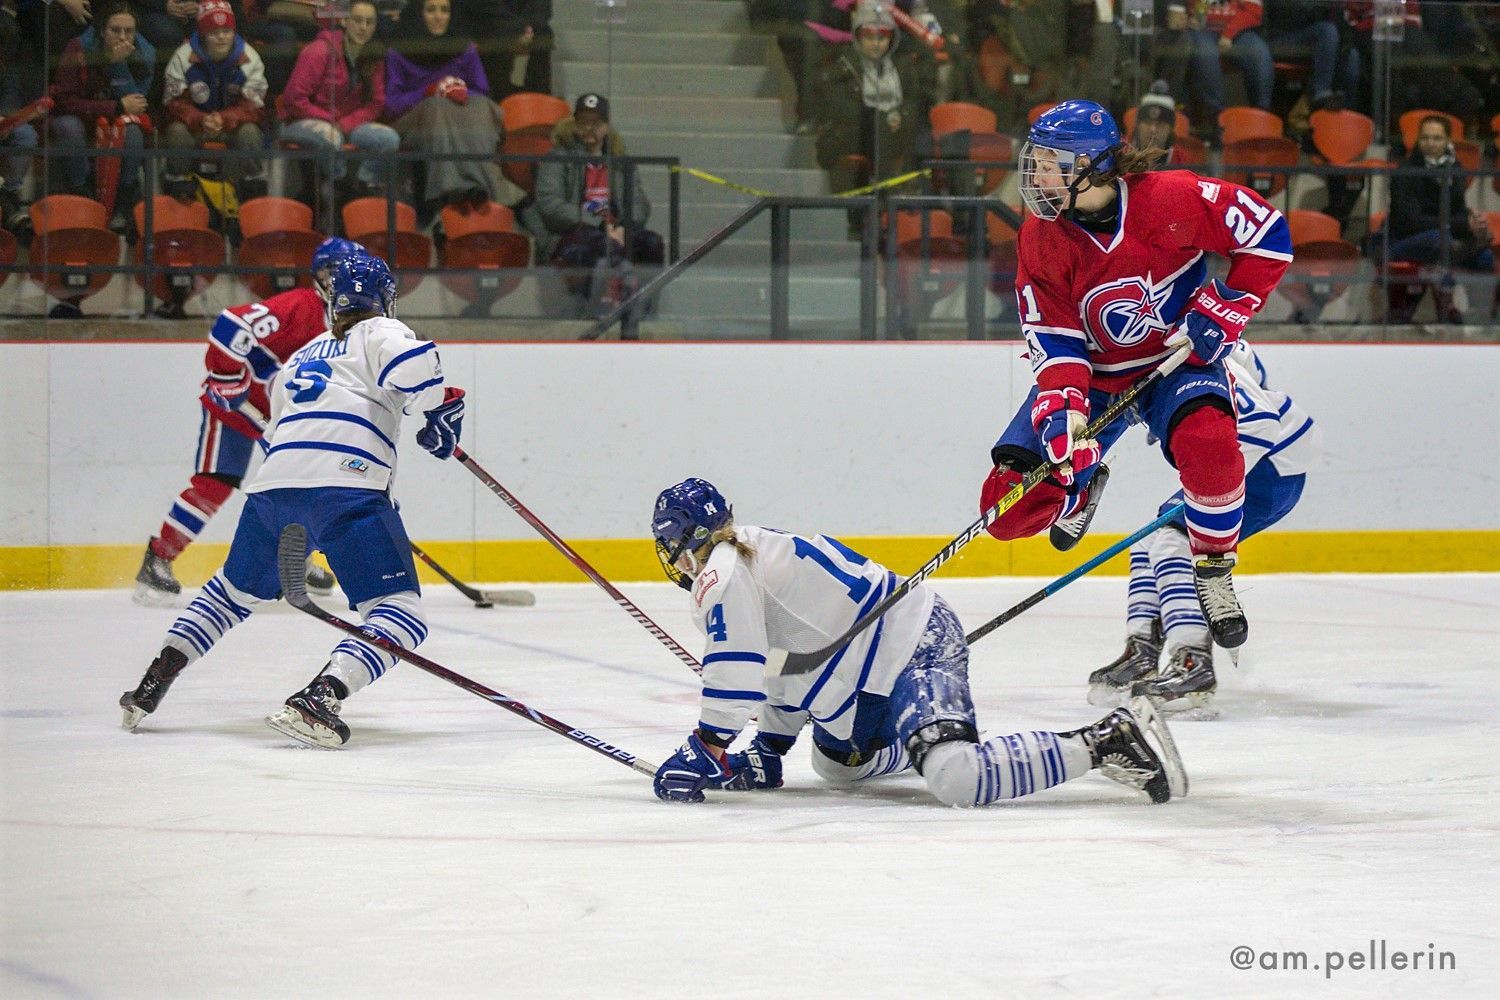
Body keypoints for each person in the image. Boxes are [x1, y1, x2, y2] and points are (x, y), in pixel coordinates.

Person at [646, 478, 1187, 807]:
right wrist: (768, 749)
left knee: (955, 778)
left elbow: (737, 669)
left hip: (913, 646)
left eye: (667, 545)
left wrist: (707, 747)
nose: (668, 559)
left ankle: (1107, 739)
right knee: (836, 769)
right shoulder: (746, 556)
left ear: (683, 541)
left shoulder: (723, 572)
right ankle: (924, 739)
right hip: (871, 665)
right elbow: (785, 665)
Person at [980, 100, 1293, 652]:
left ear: (1093, 167)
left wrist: (1224, 309)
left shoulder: (1173, 199)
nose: (1037, 172)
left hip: (1172, 362)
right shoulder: (1040, 236)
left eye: (1052, 161)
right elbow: (1052, 335)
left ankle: (1215, 570)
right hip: (1095, 376)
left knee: (1211, 446)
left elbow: (1268, 235)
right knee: (1005, 508)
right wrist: (1065, 411)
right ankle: (1078, 489)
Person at [121, 253, 468, 749]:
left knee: (229, 595)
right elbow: (418, 365)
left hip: (273, 489)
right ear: (386, 300)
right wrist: (441, 408)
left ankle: (152, 683)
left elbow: (282, 426)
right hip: (348, 490)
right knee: (401, 613)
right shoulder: (381, 333)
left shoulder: (300, 357)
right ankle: (322, 695)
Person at [1088, 340, 1321, 716]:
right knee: (1149, 540)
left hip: (1272, 467)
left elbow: (1261, 423)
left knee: (1173, 539)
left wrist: (1216, 485)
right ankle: (1141, 651)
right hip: (1270, 461)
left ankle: (1192, 662)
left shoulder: (1199, 366)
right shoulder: (1174, 358)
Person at [134, 237, 365, 606]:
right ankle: (159, 558)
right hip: (233, 410)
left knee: (305, 484)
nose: (340, 280)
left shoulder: (354, 325)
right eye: (332, 272)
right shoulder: (298, 306)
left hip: (282, 418)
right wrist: (228, 380)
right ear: (317, 276)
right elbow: (231, 326)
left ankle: (297, 561)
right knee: (215, 484)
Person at [529, 92, 664, 319]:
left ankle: (643, 311)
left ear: (607, 126)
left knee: (652, 244)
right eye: (583, 122)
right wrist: (599, 224)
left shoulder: (620, 160)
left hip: (616, 231)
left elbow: (640, 204)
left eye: (596, 123)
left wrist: (623, 225)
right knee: (599, 244)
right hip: (572, 232)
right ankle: (600, 309)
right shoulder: (559, 157)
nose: (589, 129)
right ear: (574, 124)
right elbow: (551, 205)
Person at [384, 0, 521, 220]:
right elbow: (392, 105)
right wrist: (429, 91)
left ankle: (478, 188)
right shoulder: (398, 51)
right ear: (419, 14)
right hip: (412, 120)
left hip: (454, 116)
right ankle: (450, 189)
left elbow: (481, 91)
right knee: (437, 106)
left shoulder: (464, 48)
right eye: (431, 10)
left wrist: (459, 90)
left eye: (444, 10)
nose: (439, 16)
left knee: (482, 106)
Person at [811, 0, 929, 208]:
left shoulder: (902, 66)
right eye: (869, 36)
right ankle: (887, 193)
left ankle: (914, 189)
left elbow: (913, 100)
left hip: (895, 129)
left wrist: (901, 116)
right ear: (858, 36)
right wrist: (881, 117)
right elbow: (839, 109)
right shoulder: (842, 66)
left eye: (882, 37)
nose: (876, 43)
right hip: (849, 135)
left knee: (918, 127)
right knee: (879, 125)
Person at [49, 1, 155, 230]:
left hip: (115, 121)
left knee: (134, 131)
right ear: (102, 30)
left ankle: (124, 196)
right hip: (79, 119)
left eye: (129, 31)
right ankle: (83, 191)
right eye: (115, 30)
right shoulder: (78, 48)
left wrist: (118, 66)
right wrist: (114, 107)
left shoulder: (145, 54)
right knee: (68, 126)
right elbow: (65, 101)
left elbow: (136, 106)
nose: (123, 37)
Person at [1379, 114, 1494, 323]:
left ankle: (1479, 316)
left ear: (1448, 141)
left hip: (1444, 240)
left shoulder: (1455, 170)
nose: (1430, 143)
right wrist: (1461, 224)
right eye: (1425, 138)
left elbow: (1458, 211)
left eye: (1437, 138)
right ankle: (1444, 301)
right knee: (1438, 238)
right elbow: (1410, 222)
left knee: (1484, 255)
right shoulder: (1405, 172)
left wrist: (1473, 223)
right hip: (1403, 242)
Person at [279, 0, 399, 200]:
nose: (363, 27)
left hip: (344, 124)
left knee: (389, 139)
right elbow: (294, 99)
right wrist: (330, 119)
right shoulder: (319, 50)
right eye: (358, 20)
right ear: (344, 21)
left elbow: (375, 104)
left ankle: (364, 185)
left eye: (370, 22)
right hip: (298, 121)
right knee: (331, 138)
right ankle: (339, 186)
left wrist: (345, 123)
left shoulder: (374, 56)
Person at [161, 0, 270, 203]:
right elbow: (173, 103)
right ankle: (178, 189)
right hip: (195, 126)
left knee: (251, 133)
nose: (221, 37)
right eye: (214, 32)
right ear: (203, 34)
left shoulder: (250, 58)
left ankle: (252, 191)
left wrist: (224, 118)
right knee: (176, 131)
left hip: (232, 126)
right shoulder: (182, 57)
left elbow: (254, 106)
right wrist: (201, 119)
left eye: (227, 30)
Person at [1171, 0, 1272, 132]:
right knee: (1206, 56)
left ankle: (1261, 119)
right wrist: (1183, 16)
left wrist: (1229, 33)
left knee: (1259, 54)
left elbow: (1254, 11)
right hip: (1201, 28)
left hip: (1239, 29)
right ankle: (1219, 123)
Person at [460, 0, 553, 102]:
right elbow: (485, 10)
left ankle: (540, 101)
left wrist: (526, 29)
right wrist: (518, 32)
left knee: (544, 34)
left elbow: (542, 10)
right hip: (489, 31)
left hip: (523, 30)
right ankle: (497, 99)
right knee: (497, 40)